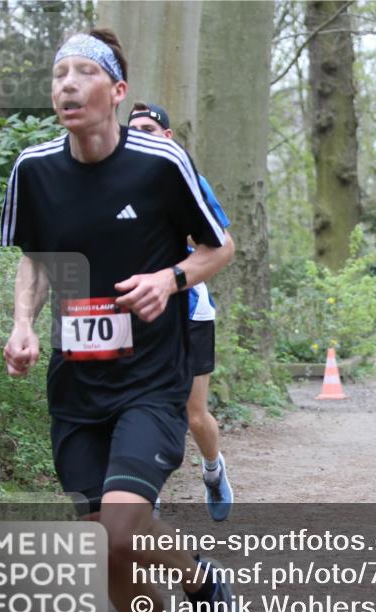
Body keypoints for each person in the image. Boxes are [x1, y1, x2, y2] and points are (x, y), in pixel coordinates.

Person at [0, 29, 246, 612]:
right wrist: (23, 322)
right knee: (102, 545)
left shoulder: (159, 163)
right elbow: (37, 258)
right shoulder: (35, 169)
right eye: (60, 75)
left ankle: (204, 588)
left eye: (84, 72)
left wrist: (171, 279)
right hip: (77, 388)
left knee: (120, 527)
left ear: (117, 91)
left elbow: (220, 246)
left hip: (151, 381)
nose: (68, 85)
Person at [128, 101, 233, 522]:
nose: (140, 135)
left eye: (149, 129)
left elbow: (221, 240)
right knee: (143, 406)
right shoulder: (116, 182)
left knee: (194, 414)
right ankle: (144, 494)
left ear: (167, 136)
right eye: (133, 129)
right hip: (139, 312)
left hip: (189, 309)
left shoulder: (189, 179)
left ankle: (212, 470)